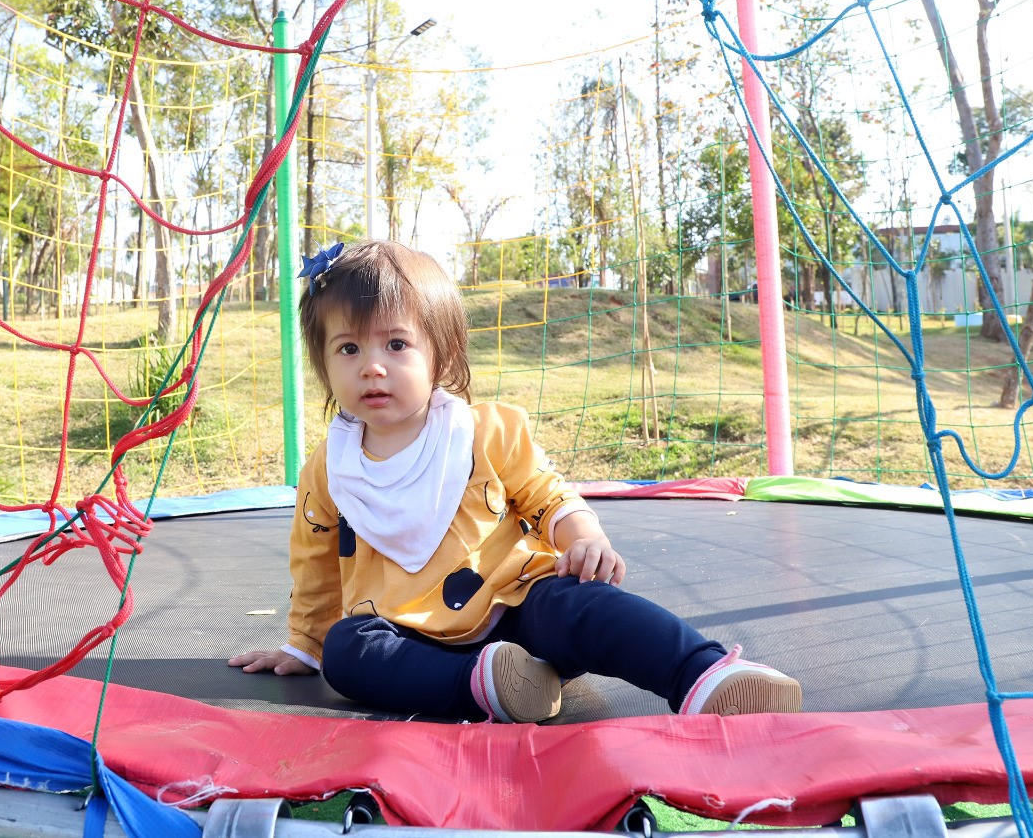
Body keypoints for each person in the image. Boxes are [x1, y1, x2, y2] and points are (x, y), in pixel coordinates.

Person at [228, 240, 801, 722]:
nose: (372, 366)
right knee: (347, 653)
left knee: (582, 604)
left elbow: (548, 494)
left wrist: (584, 536)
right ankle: (489, 686)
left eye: (396, 344)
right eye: (348, 348)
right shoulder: (330, 466)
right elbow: (316, 561)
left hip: (517, 607)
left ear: (440, 353)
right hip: (408, 637)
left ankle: (702, 676)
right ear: (325, 364)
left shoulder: (484, 431)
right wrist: (304, 643)